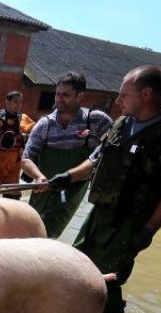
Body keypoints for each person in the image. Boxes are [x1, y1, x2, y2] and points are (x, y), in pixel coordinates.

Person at [47, 64, 161, 313]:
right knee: (77, 268)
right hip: (100, 214)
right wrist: (68, 176)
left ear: (147, 94)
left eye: (124, 95)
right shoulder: (123, 123)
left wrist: (148, 232)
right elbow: (96, 159)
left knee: (105, 283)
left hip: (130, 223)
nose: (117, 101)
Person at [22, 72, 113, 237]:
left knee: (49, 234)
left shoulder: (97, 121)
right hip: (43, 187)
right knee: (30, 230)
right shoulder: (45, 124)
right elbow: (26, 159)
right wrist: (39, 177)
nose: (59, 98)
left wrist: (74, 176)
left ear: (80, 96)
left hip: (72, 189)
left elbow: (109, 152)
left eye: (65, 95)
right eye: (57, 93)